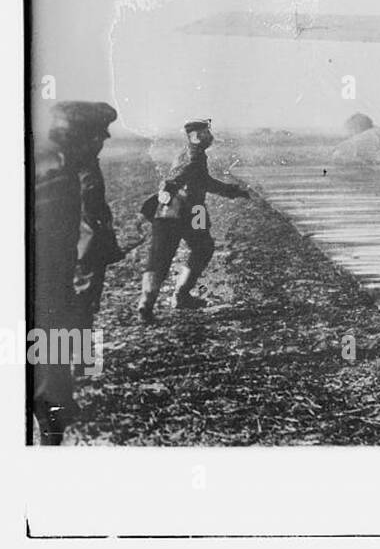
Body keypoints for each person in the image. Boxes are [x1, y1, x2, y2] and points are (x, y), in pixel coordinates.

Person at [31, 100, 119, 444]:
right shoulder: (60, 169)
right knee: (77, 310)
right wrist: (92, 256)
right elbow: (80, 219)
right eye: (99, 135)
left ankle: (76, 377)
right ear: (81, 137)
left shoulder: (64, 159)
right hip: (68, 263)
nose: (103, 141)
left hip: (73, 257)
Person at [137, 119, 249, 321]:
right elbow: (180, 175)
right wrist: (169, 188)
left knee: (167, 255)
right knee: (198, 249)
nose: (211, 136)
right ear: (196, 136)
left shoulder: (190, 153)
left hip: (176, 212)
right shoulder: (194, 155)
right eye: (206, 133)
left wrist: (231, 191)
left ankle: (149, 302)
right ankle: (178, 295)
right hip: (186, 211)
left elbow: (204, 181)